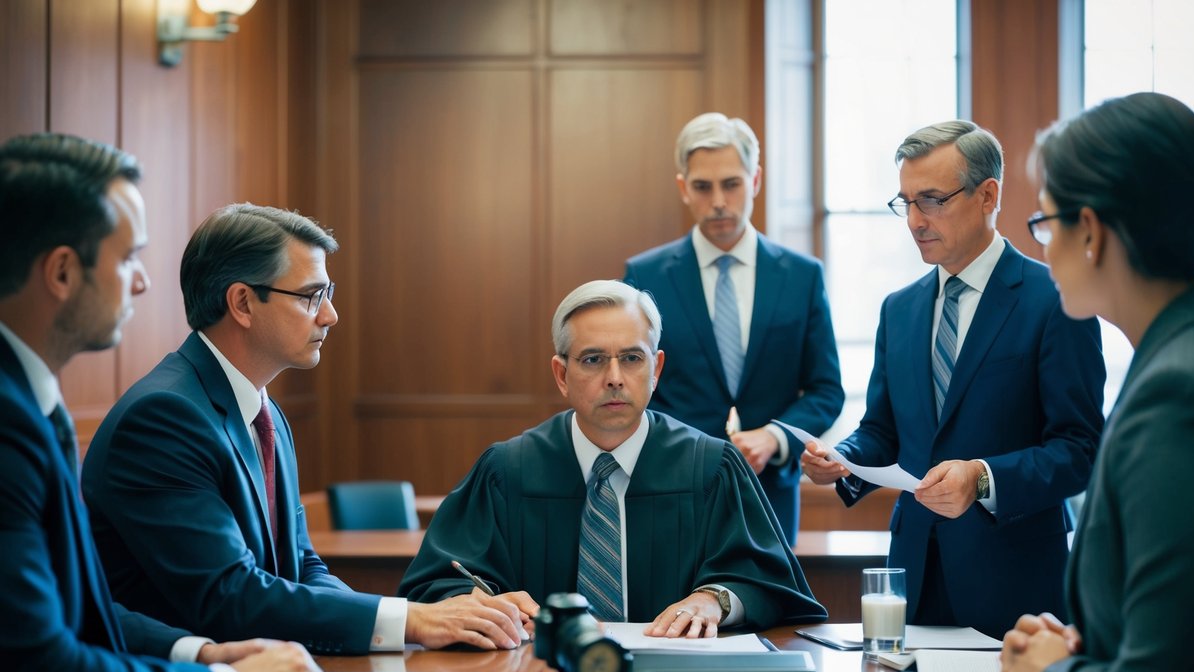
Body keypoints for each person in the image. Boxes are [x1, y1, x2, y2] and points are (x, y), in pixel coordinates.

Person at [0, 133, 319, 672]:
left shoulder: (33, 404)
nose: (144, 281)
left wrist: (196, 654)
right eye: (128, 259)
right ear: (62, 272)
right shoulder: (14, 424)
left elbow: (82, 613)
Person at [82, 203, 527, 654]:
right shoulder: (164, 418)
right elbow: (228, 595)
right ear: (242, 303)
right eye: (311, 296)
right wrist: (412, 619)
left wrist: (410, 624)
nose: (330, 315)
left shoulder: (266, 413)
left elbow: (302, 566)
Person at [802, 120, 1106, 637]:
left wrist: (982, 477)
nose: (915, 221)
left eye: (932, 200)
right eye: (906, 203)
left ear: (988, 196)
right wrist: (843, 460)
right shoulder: (898, 310)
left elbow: (1080, 450)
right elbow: (883, 431)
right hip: (915, 574)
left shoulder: (1055, 301)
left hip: (1017, 582)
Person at [398, 280, 827, 637]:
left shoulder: (712, 467)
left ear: (656, 370)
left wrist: (714, 599)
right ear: (562, 375)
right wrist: (476, 604)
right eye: (593, 360)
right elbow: (434, 587)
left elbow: (773, 584)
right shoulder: (507, 471)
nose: (615, 378)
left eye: (632, 358)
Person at [1000, 92, 1194, 672]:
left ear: (1089, 230)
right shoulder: (1180, 354)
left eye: (1044, 220)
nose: (1043, 242)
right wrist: (1087, 648)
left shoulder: (1176, 394)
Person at [624, 113, 844, 544]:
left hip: (770, 500)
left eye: (732, 184)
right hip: (672, 495)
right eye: (703, 187)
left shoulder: (802, 276)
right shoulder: (644, 275)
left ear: (755, 180)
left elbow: (826, 389)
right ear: (684, 187)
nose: (719, 201)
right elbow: (634, 387)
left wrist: (775, 437)